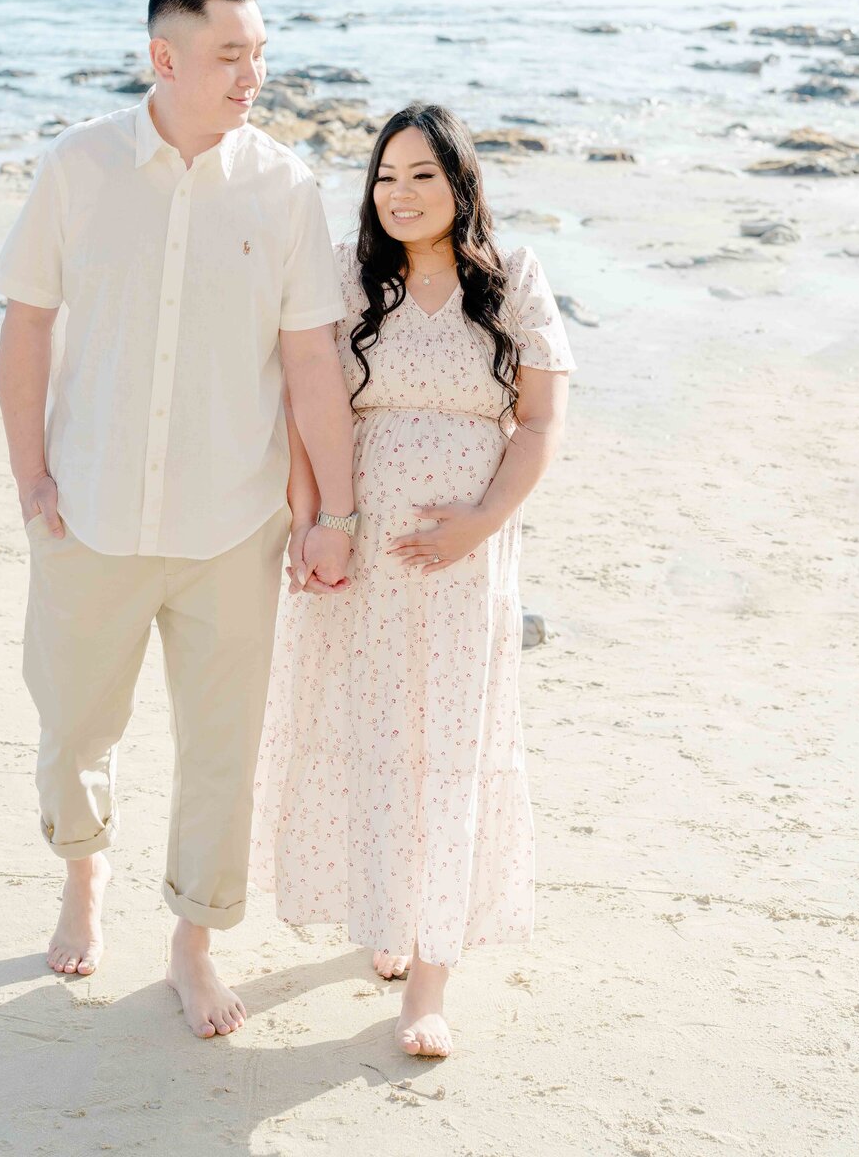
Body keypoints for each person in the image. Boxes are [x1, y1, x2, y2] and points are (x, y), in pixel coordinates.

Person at [0, 0, 356, 1039]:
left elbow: (311, 365)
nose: (256, 73)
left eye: (261, 53)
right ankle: (82, 871)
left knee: (220, 752)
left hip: (233, 527)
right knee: (72, 728)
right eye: (233, 53)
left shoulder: (284, 186)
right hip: (86, 515)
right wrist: (30, 480)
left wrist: (334, 513)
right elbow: (25, 326)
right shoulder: (79, 166)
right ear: (165, 58)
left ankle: (194, 941)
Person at [252, 102, 577, 1059]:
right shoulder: (353, 280)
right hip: (360, 555)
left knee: (446, 742)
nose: (399, 193)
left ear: (460, 183)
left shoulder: (511, 277)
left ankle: (428, 976)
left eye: (421, 175)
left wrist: (480, 524)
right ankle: (387, 918)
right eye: (385, 176)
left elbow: (541, 424)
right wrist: (315, 524)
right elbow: (310, 410)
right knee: (368, 730)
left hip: (464, 567)